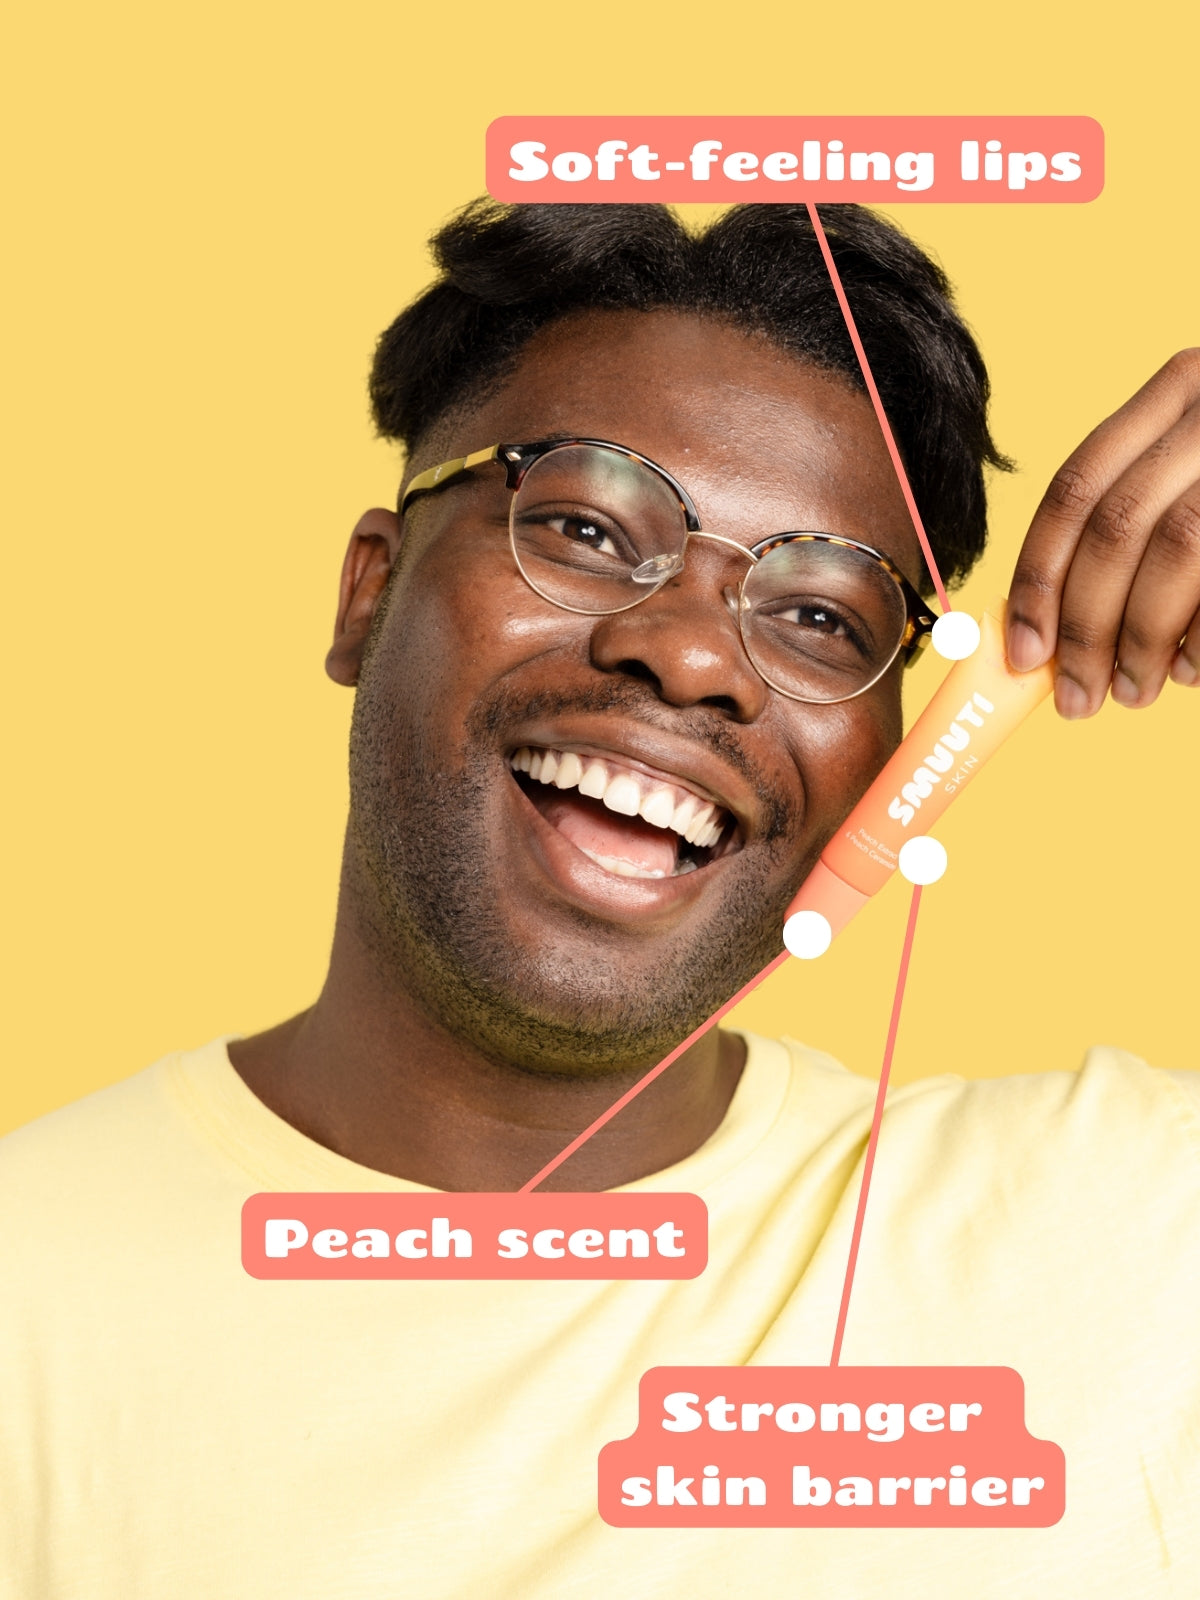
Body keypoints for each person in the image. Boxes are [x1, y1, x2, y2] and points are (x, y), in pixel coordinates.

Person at [2, 202, 1198, 1599]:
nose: (693, 657)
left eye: (823, 617)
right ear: (366, 597)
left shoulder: (1129, 1236)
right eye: (581, 526)